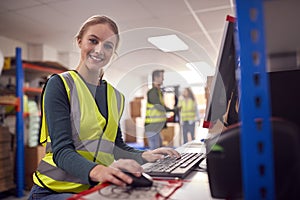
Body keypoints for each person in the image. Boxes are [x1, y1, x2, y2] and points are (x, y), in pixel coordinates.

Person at [28, 15, 180, 200]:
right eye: (93, 40)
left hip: (96, 188)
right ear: (79, 42)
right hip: (54, 190)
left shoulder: (115, 96)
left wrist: (145, 155)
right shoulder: (60, 84)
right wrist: (99, 171)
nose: (99, 50)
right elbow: (61, 151)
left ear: (113, 52)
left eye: (108, 46)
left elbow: (115, 147)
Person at [144, 70, 176, 150]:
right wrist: (173, 110)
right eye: (162, 77)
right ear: (156, 78)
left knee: (159, 148)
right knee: (155, 151)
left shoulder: (158, 92)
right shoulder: (152, 92)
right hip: (152, 126)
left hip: (156, 126)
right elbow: (159, 107)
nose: (163, 79)